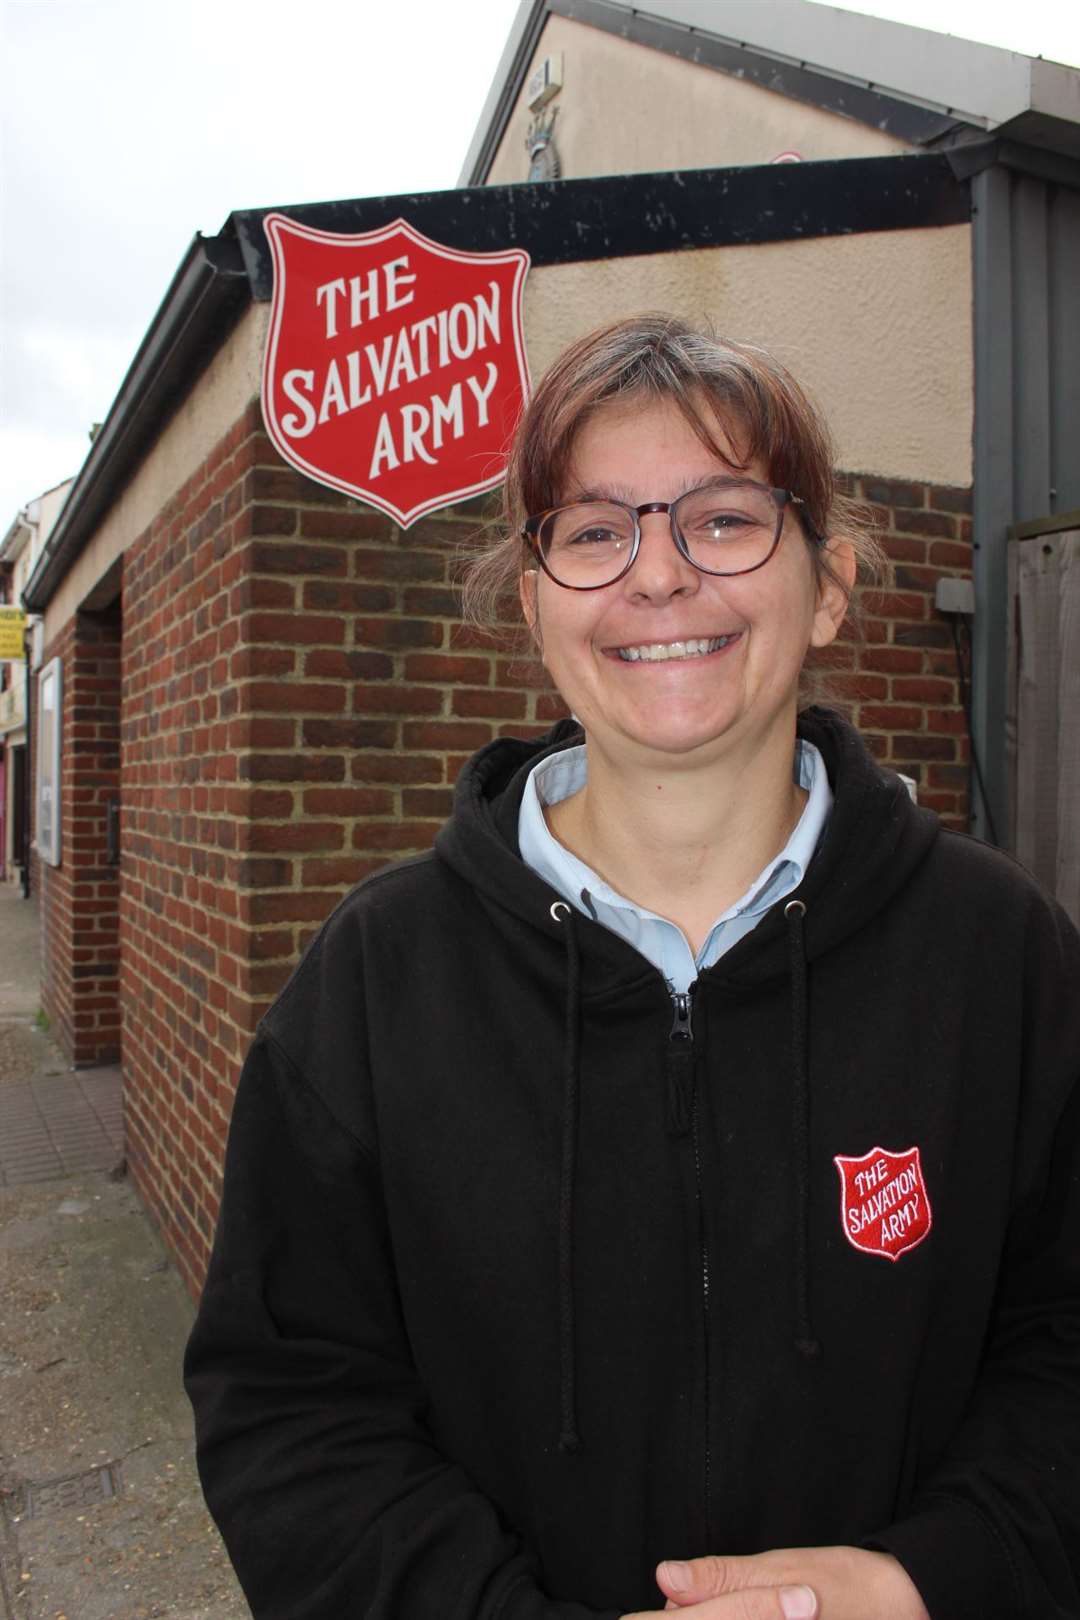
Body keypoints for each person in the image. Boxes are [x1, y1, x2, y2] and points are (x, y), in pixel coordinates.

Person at [184, 315, 1080, 1620]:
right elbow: (293, 1406)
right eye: (596, 531)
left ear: (827, 584)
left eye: (722, 519)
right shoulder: (377, 984)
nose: (658, 577)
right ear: (532, 597)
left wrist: (930, 1581)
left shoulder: (1004, 960)